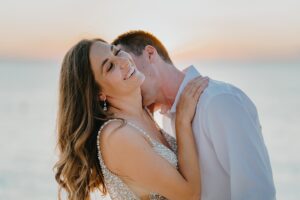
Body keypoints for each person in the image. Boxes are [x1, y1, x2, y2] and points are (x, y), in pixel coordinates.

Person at [112, 30, 276, 200]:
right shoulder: (166, 121)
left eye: (129, 63)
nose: (128, 75)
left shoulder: (218, 101)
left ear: (150, 54)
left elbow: (257, 192)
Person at [54, 38, 209, 200]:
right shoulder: (116, 136)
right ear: (98, 94)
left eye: (116, 51)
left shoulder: (143, 111)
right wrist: (182, 121)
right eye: (110, 66)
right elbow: (190, 195)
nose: (123, 61)